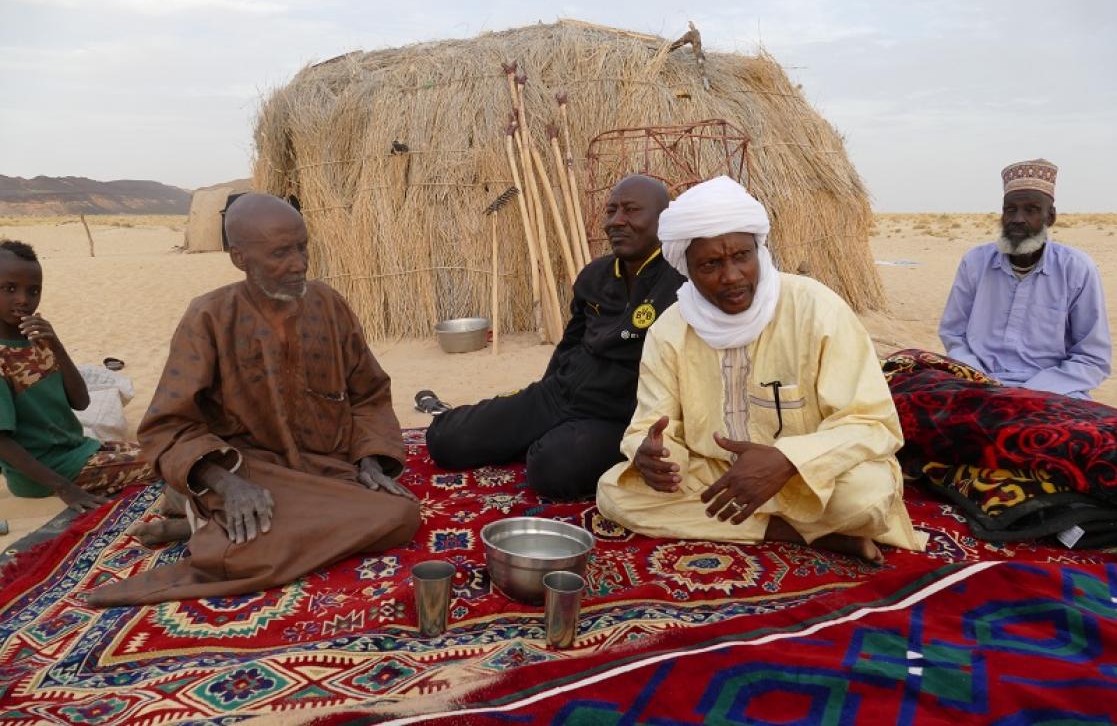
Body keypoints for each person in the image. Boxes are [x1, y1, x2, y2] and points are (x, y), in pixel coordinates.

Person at [87, 194, 420, 607]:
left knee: (401, 518)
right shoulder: (208, 317)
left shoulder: (330, 304)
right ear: (239, 258)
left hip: (327, 470)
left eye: (302, 247)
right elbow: (168, 425)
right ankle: (215, 517)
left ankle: (200, 524)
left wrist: (371, 458)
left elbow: (369, 392)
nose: (299, 264)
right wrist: (227, 485)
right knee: (240, 555)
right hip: (249, 471)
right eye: (281, 253)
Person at [596, 176, 926, 562]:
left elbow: (874, 424)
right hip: (718, 475)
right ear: (687, 268)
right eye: (711, 264)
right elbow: (649, 426)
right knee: (615, 493)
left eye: (741, 256)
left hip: (810, 477)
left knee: (867, 495)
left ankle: (762, 523)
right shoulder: (670, 329)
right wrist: (653, 455)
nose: (732, 276)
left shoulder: (817, 308)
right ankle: (794, 532)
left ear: (759, 250)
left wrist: (788, 460)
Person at [426, 175, 684, 499]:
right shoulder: (595, 275)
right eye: (611, 211)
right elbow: (570, 343)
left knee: (552, 469)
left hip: (619, 415)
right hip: (558, 395)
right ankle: (534, 436)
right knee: (445, 440)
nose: (617, 221)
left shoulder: (681, 286)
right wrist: (542, 397)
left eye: (631, 210)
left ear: (665, 220)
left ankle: (547, 444)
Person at [0, 240, 156, 512]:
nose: (24, 300)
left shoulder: (38, 339)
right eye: (9, 288)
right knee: (166, 462)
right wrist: (65, 489)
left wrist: (55, 344)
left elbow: (81, 401)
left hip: (79, 448)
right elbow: (3, 443)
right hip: (47, 474)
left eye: (33, 291)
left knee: (165, 446)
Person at [939, 159, 1110, 399]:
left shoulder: (1077, 269)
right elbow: (954, 335)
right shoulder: (975, 262)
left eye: (1030, 210)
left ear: (1050, 217)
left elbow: (1092, 358)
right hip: (978, 384)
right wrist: (983, 381)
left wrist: (1029, 392)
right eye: (1011, 210)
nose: (1018, 219)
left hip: (1053, 390)